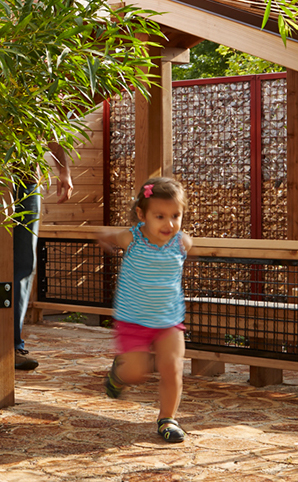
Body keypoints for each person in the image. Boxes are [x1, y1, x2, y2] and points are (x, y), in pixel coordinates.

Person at [97, 176, 193, 444]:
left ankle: (168, 419)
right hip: (134, 320)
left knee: (173, 369)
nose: (169, 223)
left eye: (176, 215)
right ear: (142, 215)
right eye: (160, 216)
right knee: (136, 373)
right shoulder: (133, 238)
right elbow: (111, 236)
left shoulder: (182, 242)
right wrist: (103, 239)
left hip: (169, 321)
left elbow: (186, 246)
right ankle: (119, 373)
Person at [0, 142, 73, 372]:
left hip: (27, 184)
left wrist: (64, 171)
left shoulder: (41, 105)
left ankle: (12, 347)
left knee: (23, 265)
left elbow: (52, 136)